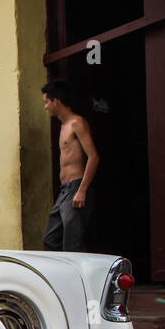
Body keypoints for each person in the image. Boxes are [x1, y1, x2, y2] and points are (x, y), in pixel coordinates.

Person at [41, 80, 100, 252]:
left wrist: (82, 190)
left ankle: (76, 278)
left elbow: (94, 157)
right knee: (50, 239)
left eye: (46, 102)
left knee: (73, 244)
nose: (46, 107)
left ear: (56, 101)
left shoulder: (77, 123)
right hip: (65, 191)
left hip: (77, 187)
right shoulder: (63, 126)